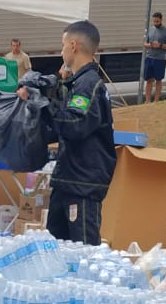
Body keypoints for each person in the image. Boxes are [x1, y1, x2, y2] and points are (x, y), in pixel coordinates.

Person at [20, 19, 115, 244]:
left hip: (82, 184)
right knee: (56, 247)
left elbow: (74, 125)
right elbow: (61, 126)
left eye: (63, 45)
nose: (61, 51)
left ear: (73, 46)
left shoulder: (88, 84)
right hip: (67, 179)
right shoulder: (76, 83)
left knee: (82, 250)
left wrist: (41, 103)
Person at [142, 11, 166, 103]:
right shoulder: (150, 30)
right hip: (149, 57)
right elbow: (145, 44)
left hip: (160, 59)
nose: (155, 23)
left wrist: (160, 45)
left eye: (157, 21)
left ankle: (156, 100)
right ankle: (147, 100)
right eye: (154, 21)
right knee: (149, 80)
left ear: (161, 20)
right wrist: (151, 45)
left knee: (158, 80)